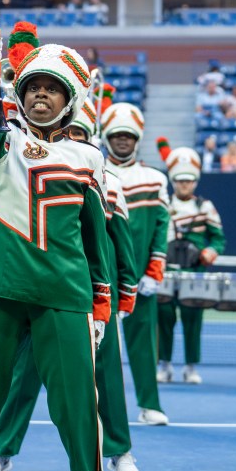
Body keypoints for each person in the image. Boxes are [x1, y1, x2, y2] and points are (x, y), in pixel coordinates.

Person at [0, 23, 110, 471]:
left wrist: (101, 303)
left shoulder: (90, 159)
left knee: (78, 415)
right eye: (33, 87)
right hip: (2, 290)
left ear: (69, 101)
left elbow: (96, 238)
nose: (40, 95)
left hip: (65, 297)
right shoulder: (3, 141)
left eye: (52, 88)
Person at [0, 87, 142, 471]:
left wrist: (122, 294)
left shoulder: (105, 177)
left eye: (82, 134)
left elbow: (115, 241)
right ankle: (2, 447)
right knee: (23, 375)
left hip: (91, 294)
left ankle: (119, 450)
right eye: (74, 132)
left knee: (105, 379)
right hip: (44, 287)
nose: (75, 139)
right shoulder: (28, 165)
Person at [101, 101, 170, 426]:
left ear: (138, 139)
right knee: (100, 349)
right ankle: (99, 410)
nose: (122, 140)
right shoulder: (92, 171)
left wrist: (155, 270)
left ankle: (150, 404)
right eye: (117, 135)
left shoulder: (155, 179)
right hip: (100, 276)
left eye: (128, 135)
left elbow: (161, 228)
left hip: (141, 278)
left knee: (144, 346)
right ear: (107, 137)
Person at [155, 139, 225, 385]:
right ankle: (164, 365)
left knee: (193, 319)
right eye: (179, 180)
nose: (184, 184)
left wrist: (210, 252)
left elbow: (218, 239)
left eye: (188, 180)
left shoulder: (205, 206)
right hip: (166, 272)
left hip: (193, 273)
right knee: (163, 317)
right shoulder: (163, 203)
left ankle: (190, 367)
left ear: (195, 181)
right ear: (173, 181)